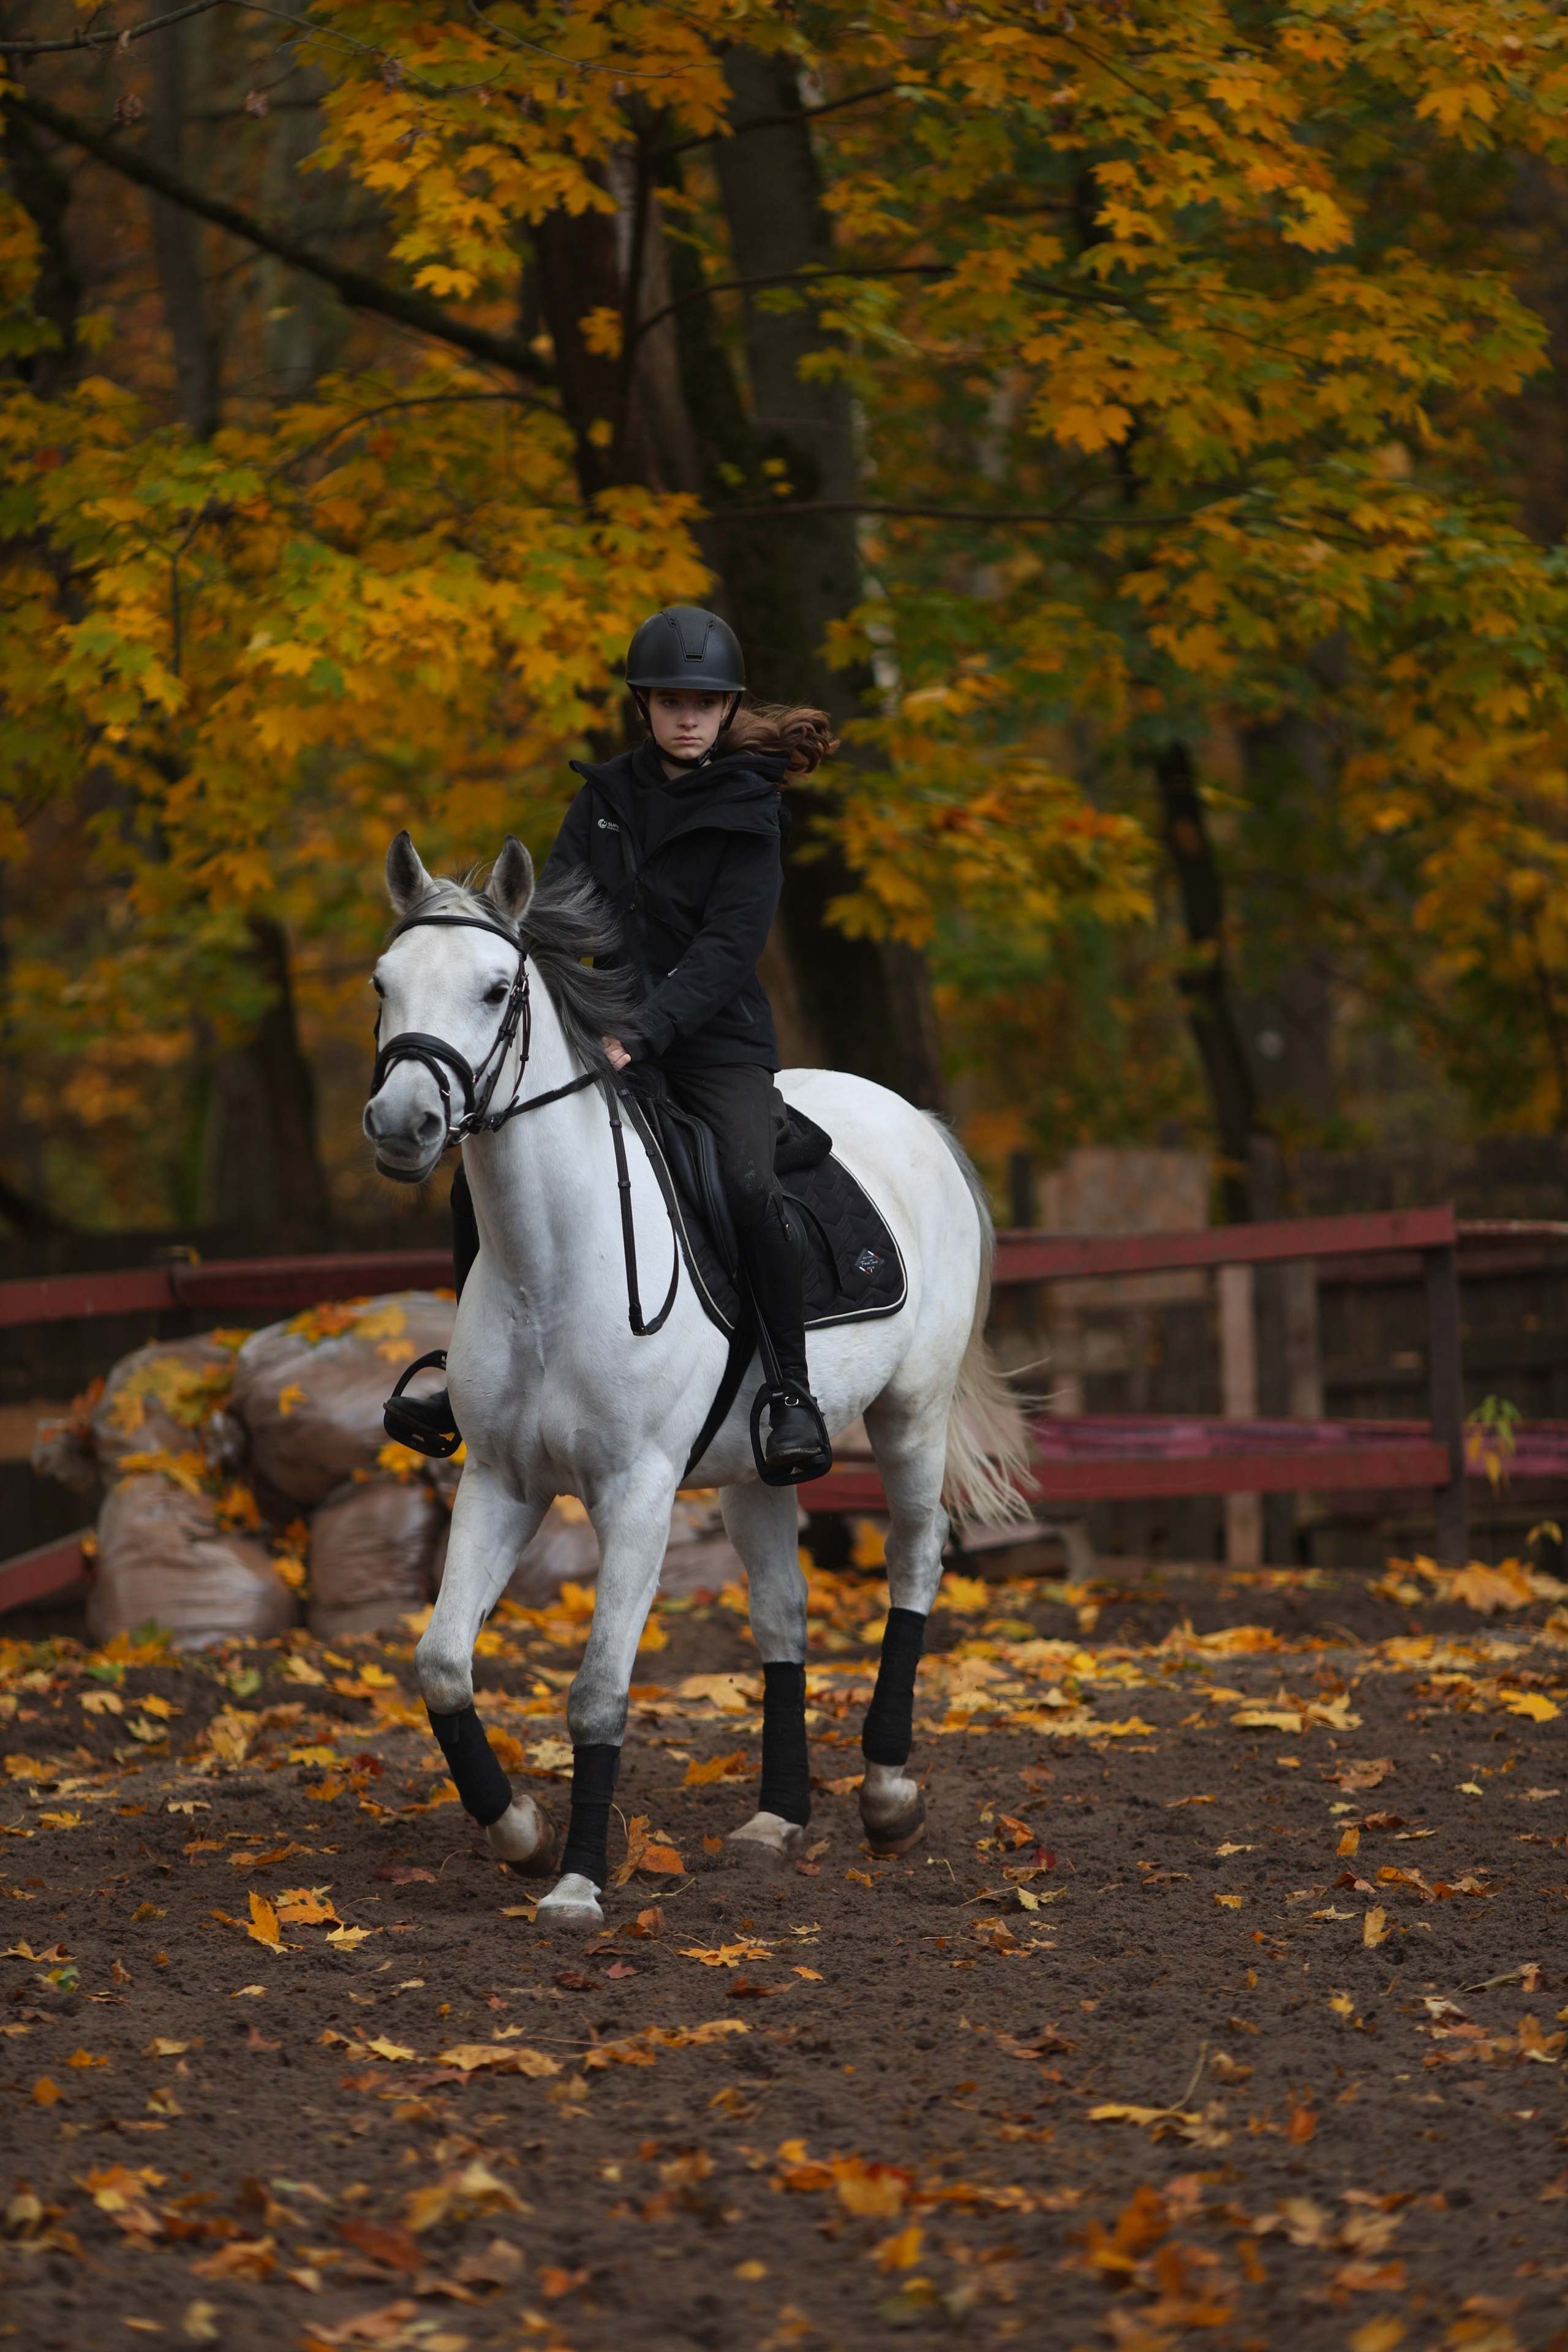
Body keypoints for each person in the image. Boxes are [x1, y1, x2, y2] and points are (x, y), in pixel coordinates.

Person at [541, 604, 833, 1469]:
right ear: (645, 705)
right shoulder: (601, 800)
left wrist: (646, 1030)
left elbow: (727, 950)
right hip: (606, 1036)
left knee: (746, 1185)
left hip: (714, 1043)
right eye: (672, 702)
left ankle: (791, 1392)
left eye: (704, 704)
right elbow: (553, 914)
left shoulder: (752, 811)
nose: (688, 719)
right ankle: (476, 1372)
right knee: (490, 1167)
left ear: (727, 707)